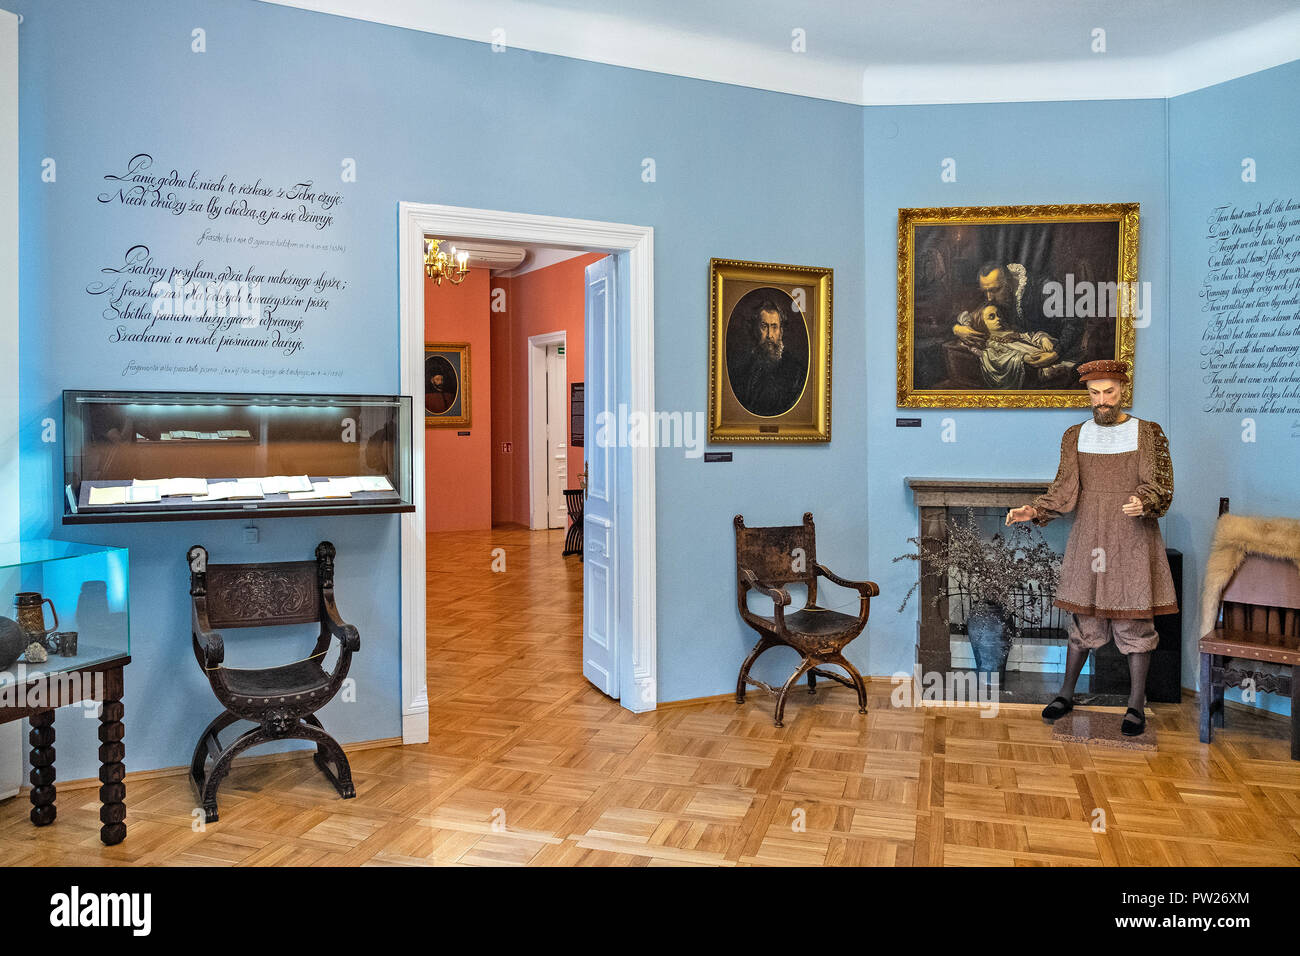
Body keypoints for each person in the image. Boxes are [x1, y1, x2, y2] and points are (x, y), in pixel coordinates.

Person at [1005, 359, 1176, 736]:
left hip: (1132, 536)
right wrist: (1033, 510)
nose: (1102, 400)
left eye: (1109, 392)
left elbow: (1161, 485)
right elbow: (1065, 489)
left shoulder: (1147, 433)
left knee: (1134, 619)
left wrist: (1144, 501)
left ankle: (1135, 704)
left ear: (1122, 391)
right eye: (1095, 393)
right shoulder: (1075, 435)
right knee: (1085, 618)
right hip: (1090, 535)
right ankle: (1066, 693)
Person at [729, 298, 806, 417]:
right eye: (764, 326)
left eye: (774, 327)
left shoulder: (797, 374)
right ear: (755, 330)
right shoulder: (741, 371)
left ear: (781, 332)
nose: (769, 335)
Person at [960, 303, 1062, 389]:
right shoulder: (991, 344)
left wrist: (1043, 339)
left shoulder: (1012, 331)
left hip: (1047, 356)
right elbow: (997, 358)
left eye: (998, 315)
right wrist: (1022, 357)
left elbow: (1030, 336)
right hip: (1036, 367)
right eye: (992, 317)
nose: (998, 318)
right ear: (982, 323)